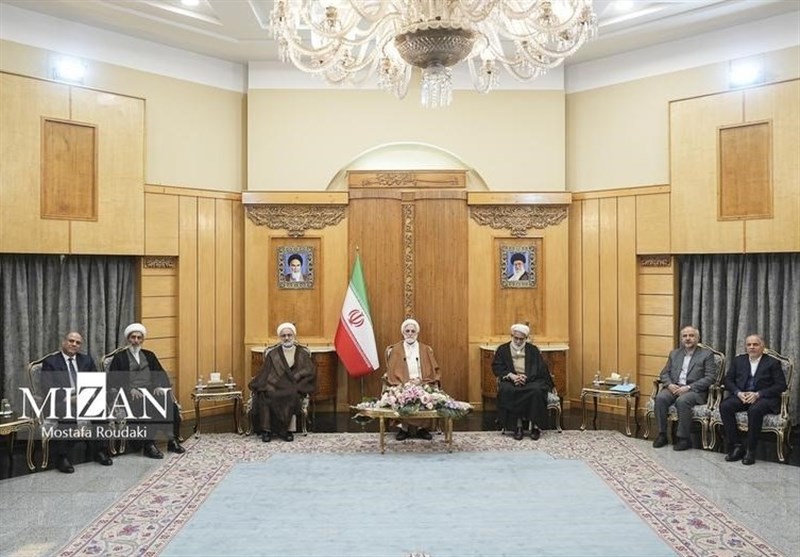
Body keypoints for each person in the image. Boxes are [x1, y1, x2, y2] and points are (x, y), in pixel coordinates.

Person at [108, 323, 185, 458]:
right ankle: (149, 444)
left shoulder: (149, 355)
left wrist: (159, 386)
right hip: (131, 395)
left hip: (150, 391)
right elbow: (113, 379)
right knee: (145, 406)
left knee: (170, 405)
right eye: (133, 337)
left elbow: (160, 373)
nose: (136, 340)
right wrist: (130, 390)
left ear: (142, 340)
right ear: (128, 339)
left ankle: (172, 440)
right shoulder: (120, 357)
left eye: (139, 338)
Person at [41, 331, 113, 473]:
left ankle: (100, 451)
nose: (74, 344)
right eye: (71, 341)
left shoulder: (86, 360)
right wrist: (69, 398)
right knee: (67, 413)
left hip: (84, 399)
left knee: (100, 410)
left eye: (77, 342)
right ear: (64, 342)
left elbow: (95, 382)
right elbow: (47, 386)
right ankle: (62, 458)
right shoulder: (51, 362)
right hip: (61, 400)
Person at [720, 334, 786, 465]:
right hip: (742, 396)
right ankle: (737, 446)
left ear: (762, 346)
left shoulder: (772, 362)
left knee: (754, 410)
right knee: (725, 406)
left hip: (764, 398)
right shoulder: (739, 360)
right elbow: (728, 380)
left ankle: (750, 450)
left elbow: (781, 385)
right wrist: (738, 393)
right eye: (749, 345)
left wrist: (758, 394)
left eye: (755, 344)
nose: (752, 347)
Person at [652, 326, 716, 451]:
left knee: (682, 400)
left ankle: (683, 438)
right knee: (660, 398)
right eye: (685, 336)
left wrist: (688, 387)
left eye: (691, 336)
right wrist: (669, 384)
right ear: (681, 339)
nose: (688, 338)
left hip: (694, 391)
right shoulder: (675, 353)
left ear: (698, 338)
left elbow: (710, 377)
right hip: (674, 387)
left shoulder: (706, 354)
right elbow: (664, 373)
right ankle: (662, 434)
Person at [249, 322, 316, 442]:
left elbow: (308, 370)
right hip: (276, 384)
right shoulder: (273, 353)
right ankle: (267, 431)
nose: (286, 338)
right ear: (280, 337)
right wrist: (267, 383)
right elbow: (266, 372)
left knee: (290, 394)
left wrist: (295, 378)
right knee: (264, 393)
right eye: (283, 335)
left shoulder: (302, 353)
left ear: (294, 336)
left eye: (289, 335)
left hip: (294, 384)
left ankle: (287, 431)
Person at [491, 323, 554, 440]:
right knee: (507, 390)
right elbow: (497, 367)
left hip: (530, 380)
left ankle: (535, 426)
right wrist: (512, 376)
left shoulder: (532, 350)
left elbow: (539, 368)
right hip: (510, 380)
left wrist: (525, 377)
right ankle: (517, 426)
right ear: (512, 336)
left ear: (526, 338)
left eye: (521, 339)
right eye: (516, 338)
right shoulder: (503, 349)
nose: (518, 341)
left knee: (536, 390)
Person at [385, 318, 441, 441]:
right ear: (403, 332)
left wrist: (421, 381)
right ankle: (403, 428)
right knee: (400, 395)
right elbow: (392, 371)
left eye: (413, 331)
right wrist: (405, 382)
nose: (410, 334)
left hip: (422, 382)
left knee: (426, 393)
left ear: (417, 333)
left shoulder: (425, 349)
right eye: (407, 331)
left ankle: (422, 429)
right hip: (402, 383)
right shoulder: (396, 349)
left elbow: (433, 370)